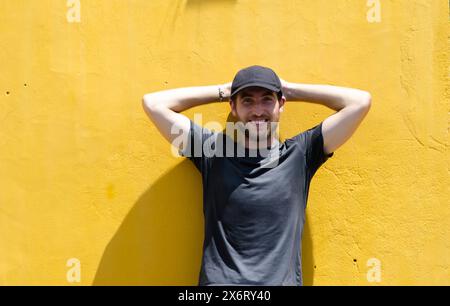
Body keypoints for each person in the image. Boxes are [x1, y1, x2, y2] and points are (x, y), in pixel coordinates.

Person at [142, 65, 371, 286]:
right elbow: (153, 104)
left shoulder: (300, 154)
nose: (258, 110)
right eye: (247, 100)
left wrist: (289, 89)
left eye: (267, 99)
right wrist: (223, 91)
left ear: (281, 104)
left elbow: (360, 102)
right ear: (233, 106)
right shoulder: (211, 151)